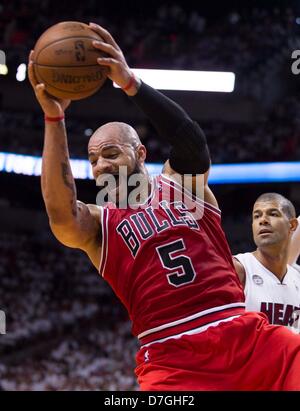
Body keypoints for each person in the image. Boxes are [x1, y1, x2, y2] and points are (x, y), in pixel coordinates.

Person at [28, 22, 300, 391]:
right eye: (93, 160)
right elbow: (60, 214)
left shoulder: (181, 184)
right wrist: (54, 117)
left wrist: (130, 82)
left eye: (111, 153)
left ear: (140, 152)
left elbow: (191, 141)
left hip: (245, 336)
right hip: (172, 358)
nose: (101, 166)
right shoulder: (98, 223)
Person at [233, 193, 300, 333]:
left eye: (273, 214)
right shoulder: (238, 268)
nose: (262, 220)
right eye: (256, 216)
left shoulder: (297, 278)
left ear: (292, 225)